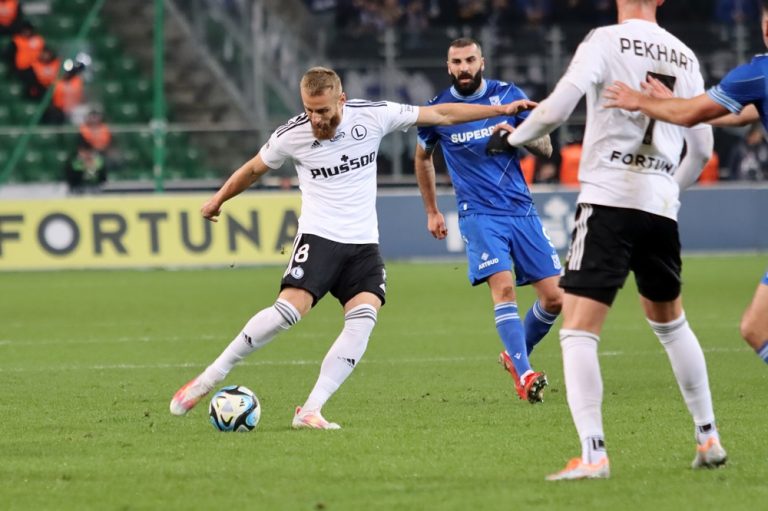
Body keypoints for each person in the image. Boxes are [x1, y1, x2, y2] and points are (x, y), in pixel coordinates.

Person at [169, 66, 536, 429]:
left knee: (362, 321)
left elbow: (440, 113)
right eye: (309, 110)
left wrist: (499, 110)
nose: (315, 119)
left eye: (323, 111)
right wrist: (217, 200)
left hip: (363, 245)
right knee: (288, 313)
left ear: (340, 100)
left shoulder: (374, 116)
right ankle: (209, 378)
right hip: (319, 237)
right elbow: (253, 169)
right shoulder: (291, 135)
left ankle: (310, 410)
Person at [496, 0, 726, 479]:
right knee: (671, 324)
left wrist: (514, 139)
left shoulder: (604, 39)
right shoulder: (684, 55)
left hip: (609, 200)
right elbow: (702, 147)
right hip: (660, 208)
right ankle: (708, 437)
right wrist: (667, 190)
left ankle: (594, 453)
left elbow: (557, 109)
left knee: (578, 331)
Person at [604, 0, 768, 367]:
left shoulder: (759, 73)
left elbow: (694, 114)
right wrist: (679, 101)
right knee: (756, 327)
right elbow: (742, 113)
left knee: (756, 328)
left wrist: (640, 100)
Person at [413, 37, 562, 405]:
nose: (464, 67)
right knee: (505, 289)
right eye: (456, 62)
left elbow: (547, 148)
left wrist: (521, 135)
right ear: (448, 67)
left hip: (521, 210)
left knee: (556, 299)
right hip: (479, 214)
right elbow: (422, 159)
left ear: (482, 61)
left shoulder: (508, 94)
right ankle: (526, 375)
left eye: (469, 60)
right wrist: (432, 210)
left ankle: (514, 357)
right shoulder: (438, 109)